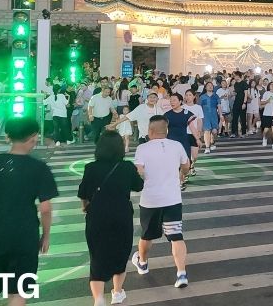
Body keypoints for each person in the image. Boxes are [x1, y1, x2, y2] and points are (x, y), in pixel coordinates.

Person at [0, 118, 58, 306]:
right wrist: (45, 236)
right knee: (18, 292)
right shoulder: (39, 168)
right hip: (24, 237)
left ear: (7, 136)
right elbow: (45, 208)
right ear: (33, 137)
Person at [78, 130, 144, 306]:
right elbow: (139, 186)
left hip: (97, 216)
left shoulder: (90, 168)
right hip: (121, 215)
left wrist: (85, 207)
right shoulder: (127, 167)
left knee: (97, 256)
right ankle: (117, 292)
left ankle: (99, 299)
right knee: (120, 253)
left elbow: (83, 193)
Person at [131, 115, 191, 289]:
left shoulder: (142, 149)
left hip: (150, 199)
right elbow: (186, 166)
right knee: (176, 236)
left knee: (147, 234)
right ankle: (181, 273)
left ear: (150, 131)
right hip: (172, 199)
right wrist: (181, 175)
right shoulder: (177, 146)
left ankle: (142, 263)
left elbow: (139, 171)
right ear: (166, 130)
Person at [198, 81, 220, 154]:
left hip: (214, 116)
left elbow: (219, 106)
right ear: (205, 87)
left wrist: (221, 115)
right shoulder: (202, 97)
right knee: (207, 131)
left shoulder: (216, 96)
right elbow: (199, 107)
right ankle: (207, 147)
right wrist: (199, 117)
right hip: (205, 116)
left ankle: (212, 141)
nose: (210, 86)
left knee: (214, 131)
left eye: (211, 85)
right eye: (208, 85)